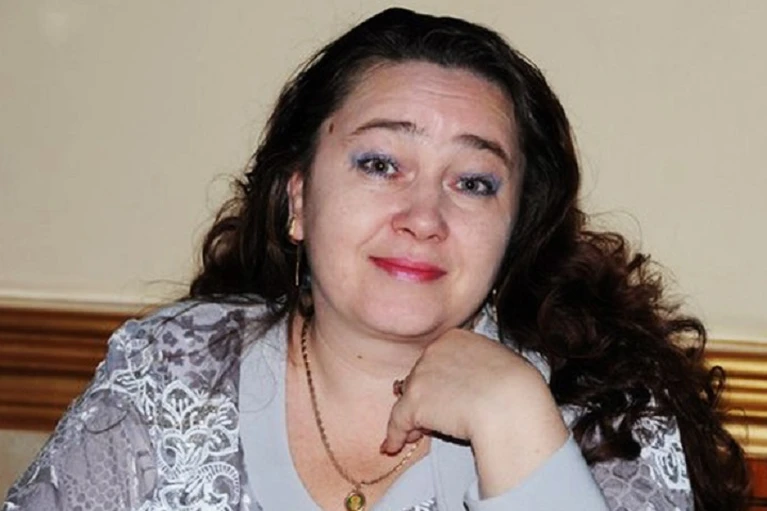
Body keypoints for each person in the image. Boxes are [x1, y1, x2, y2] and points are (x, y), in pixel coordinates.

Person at [3, 7, 750, 511]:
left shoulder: (611, 420)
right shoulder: (170, 370)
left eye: (473, 182)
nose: (423, 217)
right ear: (297, 198)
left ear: (515, 229)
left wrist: (514, 419)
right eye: (380, 164)